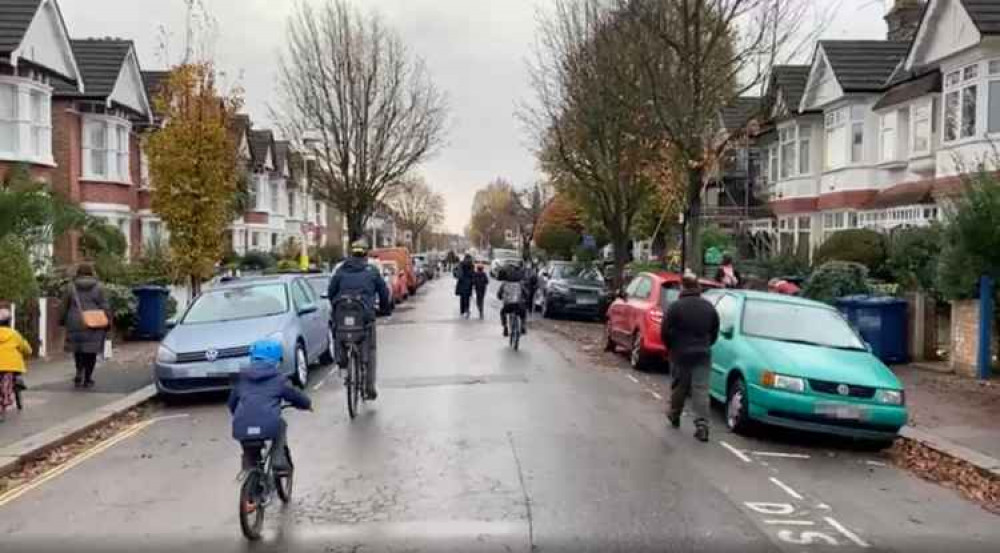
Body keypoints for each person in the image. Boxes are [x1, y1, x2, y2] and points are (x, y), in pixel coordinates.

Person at [228, 339, 312, 474]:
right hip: (268, 425)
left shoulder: (241, 378)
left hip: (241, 427)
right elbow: (295, 396)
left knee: (247, 442)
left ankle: (248, 462)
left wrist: (238, 415)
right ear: (277, 360)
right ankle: (278, 459)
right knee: (281, 425)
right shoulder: (279, 379)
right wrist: (307, 405)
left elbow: (232, 403)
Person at [328, 240, 392, 401]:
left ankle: (343, 364)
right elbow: (384, 293)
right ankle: (369, 387)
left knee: (339, 334)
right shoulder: (372, 271)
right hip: (364, 318)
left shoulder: (341, 271)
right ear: (366, 254)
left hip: (343, 317)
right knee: (370, 350)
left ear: (351, 254)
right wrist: (385, 309)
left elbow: (330, 292)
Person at [662, 270, 720, 442]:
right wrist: (706, 344)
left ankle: (674, 414)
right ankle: (702, 425)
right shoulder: (709, 308)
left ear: (683, 287)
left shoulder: (675, 307)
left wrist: (671, 347)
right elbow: (714, 331)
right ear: (698, 287)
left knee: (679, 386)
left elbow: (665, 331)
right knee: (701, 389)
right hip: (702, 353)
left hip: (680, 352)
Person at [58, 263, 110, 388]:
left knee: (78, 350)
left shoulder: (71, 288)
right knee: (91, 352)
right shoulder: (99, 288)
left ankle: (79, 372)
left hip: (75, 322)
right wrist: (108, 322)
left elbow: (64, 307)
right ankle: (88, 378)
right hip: (94, 323)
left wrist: (62, 321)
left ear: (78, 273)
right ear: (92, 273)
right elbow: (105, 306)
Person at [0, 308, 31, 420]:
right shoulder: (14, 334)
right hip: (10, 366)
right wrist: (28, 352)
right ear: (9, 322)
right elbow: (25, 347)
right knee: (8, 382)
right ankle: (4, 401)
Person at [497, 262, 528, 337]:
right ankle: (523, 326)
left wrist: (500, 297)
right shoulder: (520, 283)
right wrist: (525, 299)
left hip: (508, 305)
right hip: (518, 305)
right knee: (523, 313)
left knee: (502, 313)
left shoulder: (504, 283)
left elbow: (499, 294)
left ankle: (505, 328)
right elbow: (526, 293)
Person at [454, 254, 475, 319]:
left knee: (462, 297)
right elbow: (472, 274)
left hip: (461, 282)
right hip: (468, 283)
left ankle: (462, 311)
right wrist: (473, 282)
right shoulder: (471, 265)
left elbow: (457, 272)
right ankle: (466, 309)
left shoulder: (461, 264)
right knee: (467, 297)